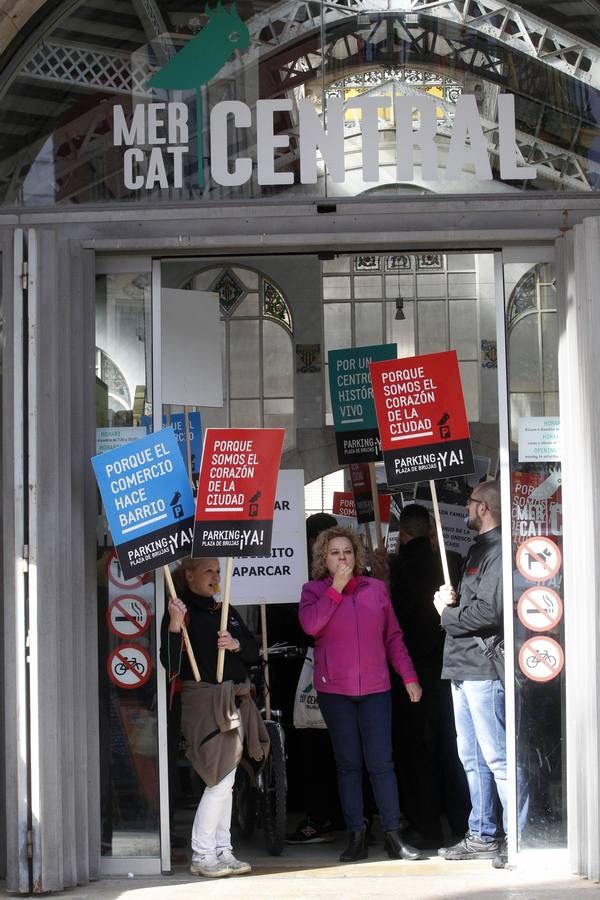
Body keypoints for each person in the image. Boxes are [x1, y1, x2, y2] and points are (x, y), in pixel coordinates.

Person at [298, 525, 424, 863]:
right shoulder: (313, 591)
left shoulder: (376, 589)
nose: (343, 558)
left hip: (376, 688)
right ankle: (356, 835)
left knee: (381, 763)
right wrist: (335, 590)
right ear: (323, 559)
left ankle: (393, 835)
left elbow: (393, 637)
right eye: (335, 553)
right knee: (349, 765)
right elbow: (311, 626)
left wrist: (409, 676)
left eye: (348, 552)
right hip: (335, 691)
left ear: (356, 555)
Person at [160, 556, 267, 878]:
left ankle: (222, 849)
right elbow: (170, 663)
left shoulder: (225, 610)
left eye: (218, 571)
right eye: (208, 571)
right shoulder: (180, 610)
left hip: (233, 699)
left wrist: (235, 644)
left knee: (227, 780)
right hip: (204, 700)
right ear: (189, 576)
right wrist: (175, 624)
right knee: (219, 779)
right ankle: (203, 853)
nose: (216, 576)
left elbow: (253, 652)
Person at [433, 480, 512, 867]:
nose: (465, 507)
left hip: (482, 668)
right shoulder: (478, 548)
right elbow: (475, 605)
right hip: (462, 666)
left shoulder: (498, 549)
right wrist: (452, 601)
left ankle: (516, 838)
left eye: (470, 502)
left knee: (497, 758)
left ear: (484, 507)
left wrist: (446, 614)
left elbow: (489, 611)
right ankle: (482, 834)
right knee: (472, 758)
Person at [388, 504, 469, 848]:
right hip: (450, 666)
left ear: (402, 534)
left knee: (418, 750)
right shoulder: (452, 563)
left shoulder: (395, 569)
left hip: (410, 671)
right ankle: (463, 820)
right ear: (432, 531)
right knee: (454, 745)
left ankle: (426, 825)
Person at [285, 512, 342, 844]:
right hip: (337, 674)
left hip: (317, 670)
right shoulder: (312, 581)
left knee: (317, 746)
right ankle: (338, 815)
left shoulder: (312, 581)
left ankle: (321, 816)